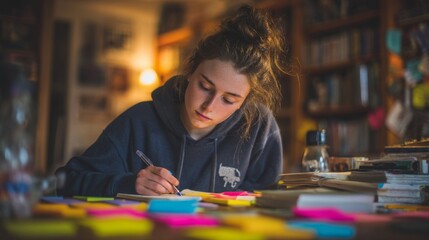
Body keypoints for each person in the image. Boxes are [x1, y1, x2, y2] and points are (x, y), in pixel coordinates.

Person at [55, 5, 293, 197]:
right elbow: (66, 180)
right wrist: (127, 183)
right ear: (190, 72)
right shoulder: (138, 122)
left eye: (229, 100)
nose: (208, 107)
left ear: (245, 102)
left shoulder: (259, 128)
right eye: (205, 86)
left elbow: (269, 204)